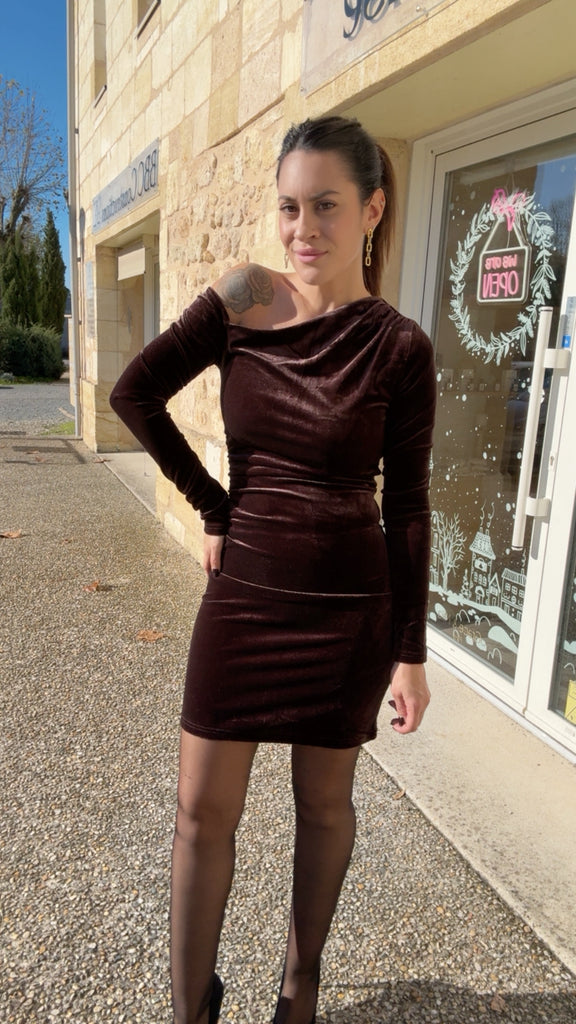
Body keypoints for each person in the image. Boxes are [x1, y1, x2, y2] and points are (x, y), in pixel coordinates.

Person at [110, 114, 436, 1024]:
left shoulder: (400, 346)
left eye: (326, 206)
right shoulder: (244, 295)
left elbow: (409, 508)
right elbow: (134, 393)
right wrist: (213, 504)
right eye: (290, 207)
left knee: (324, 810)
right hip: (245, 598)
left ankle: (300, 988)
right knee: (198, 813)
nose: (303, 229)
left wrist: (410, 652)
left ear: (372, 210)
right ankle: (191, 1007)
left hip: (349, 610)